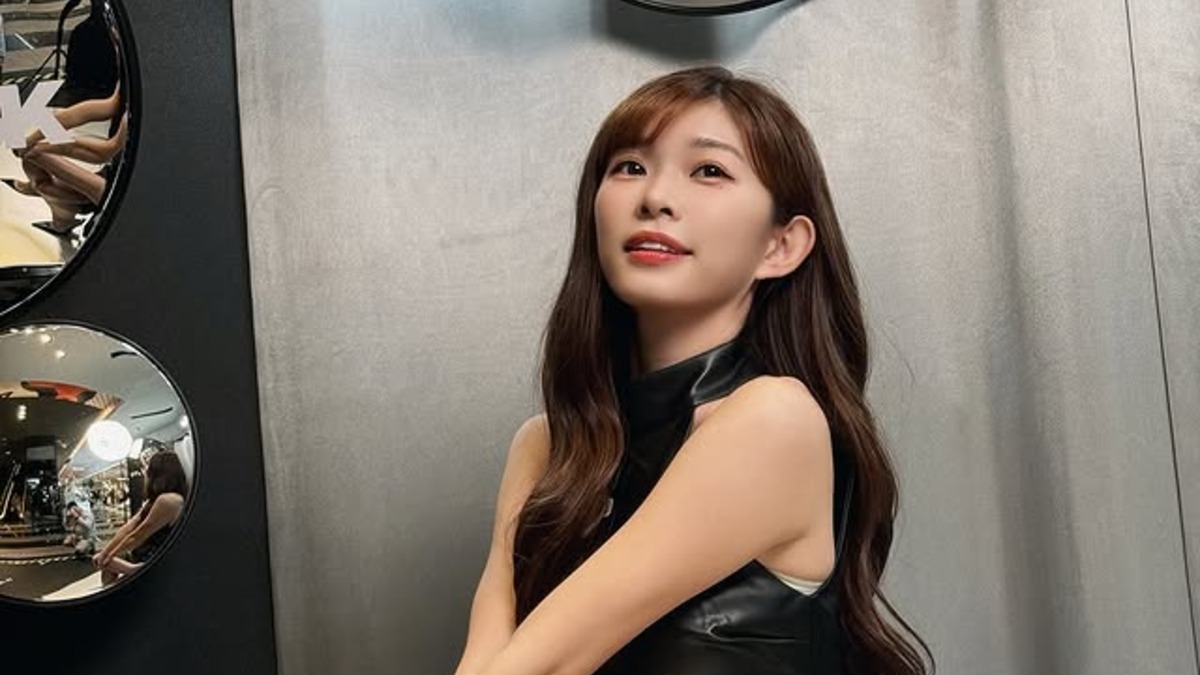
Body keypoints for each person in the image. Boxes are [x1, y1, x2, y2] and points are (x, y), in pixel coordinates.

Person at [454, 67, 933, 675]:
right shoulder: (547, 445)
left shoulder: (773, 421)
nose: (655, 197)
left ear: (780, 246)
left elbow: (541, 666)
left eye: (709, 171)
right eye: (630, 166)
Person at [92, 451, 188, 585]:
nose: (145, 474)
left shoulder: (170, 500)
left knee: (108, 565)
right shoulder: (152, 501)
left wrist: (109, 556)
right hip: (141, 552)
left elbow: (140, 533)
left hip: (154, 557)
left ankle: (136, 570)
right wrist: (106, 553)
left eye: (147, 470)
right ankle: (132, 570)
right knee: (106, 570)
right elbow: (129, 527)